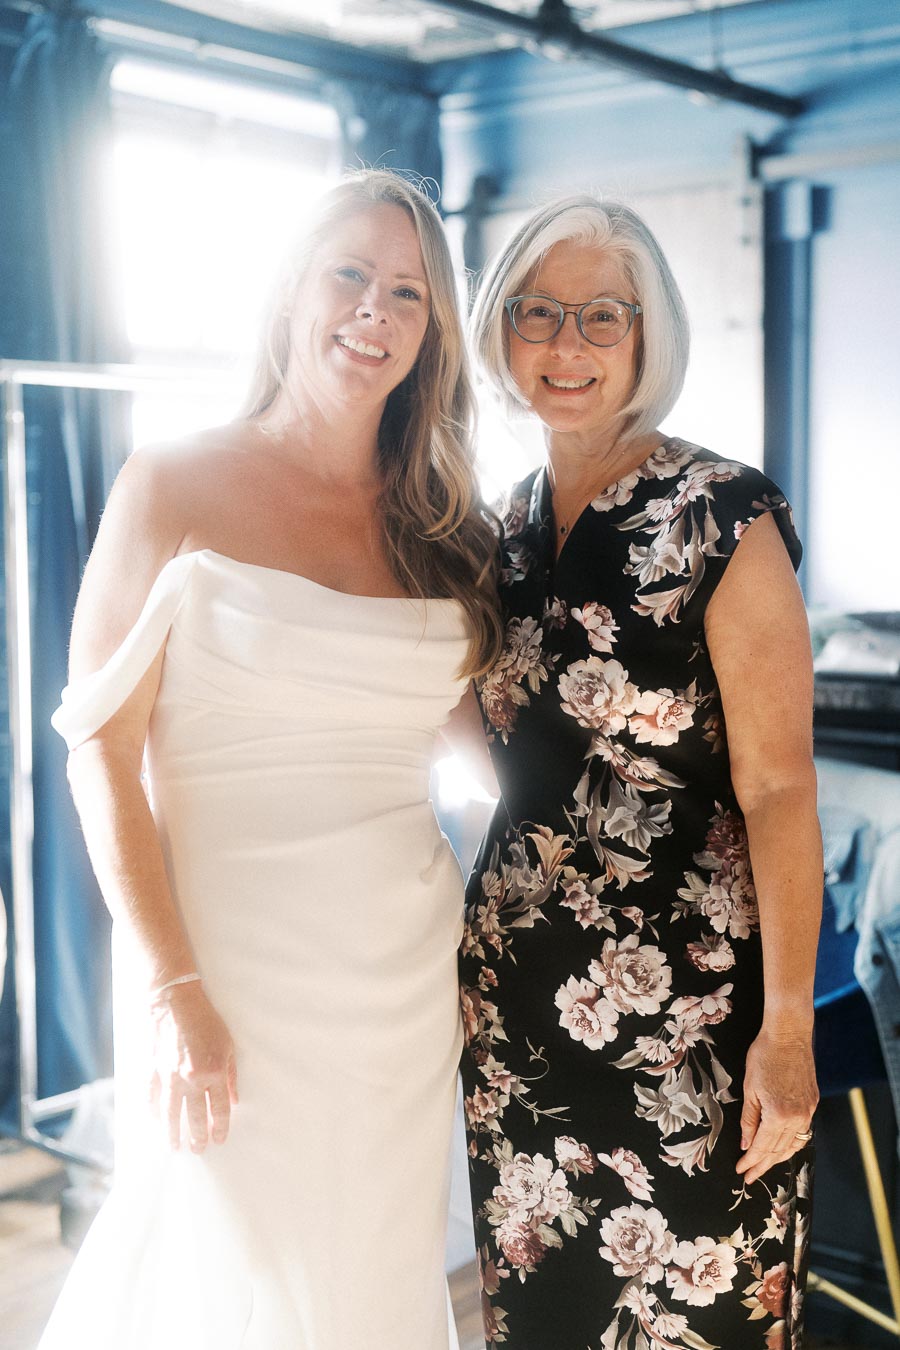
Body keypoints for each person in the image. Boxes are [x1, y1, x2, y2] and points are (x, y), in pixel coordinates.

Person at [41, 168, 503, 1350]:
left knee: (366, 1273)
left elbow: (497, 748)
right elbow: (101, 745)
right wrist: (172, 988)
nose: (375, 310)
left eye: (408, 290)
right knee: (218, 1266)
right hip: (225, 968)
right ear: (292, 288)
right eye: (349, 273)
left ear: (433, 330)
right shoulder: (173, 482)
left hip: (400, 978)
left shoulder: (445, 525)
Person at [457, 196, 821, 1350]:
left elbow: (778, 789)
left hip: (695, 1024)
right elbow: (490, 753)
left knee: (704, 1315)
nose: (566, 347)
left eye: (601, 316)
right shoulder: (492, 532)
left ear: (647, 335)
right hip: (520, 1004)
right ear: (500, 331)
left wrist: (790, 1032)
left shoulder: (721, 514)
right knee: (546, 1317)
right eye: (538, 313)